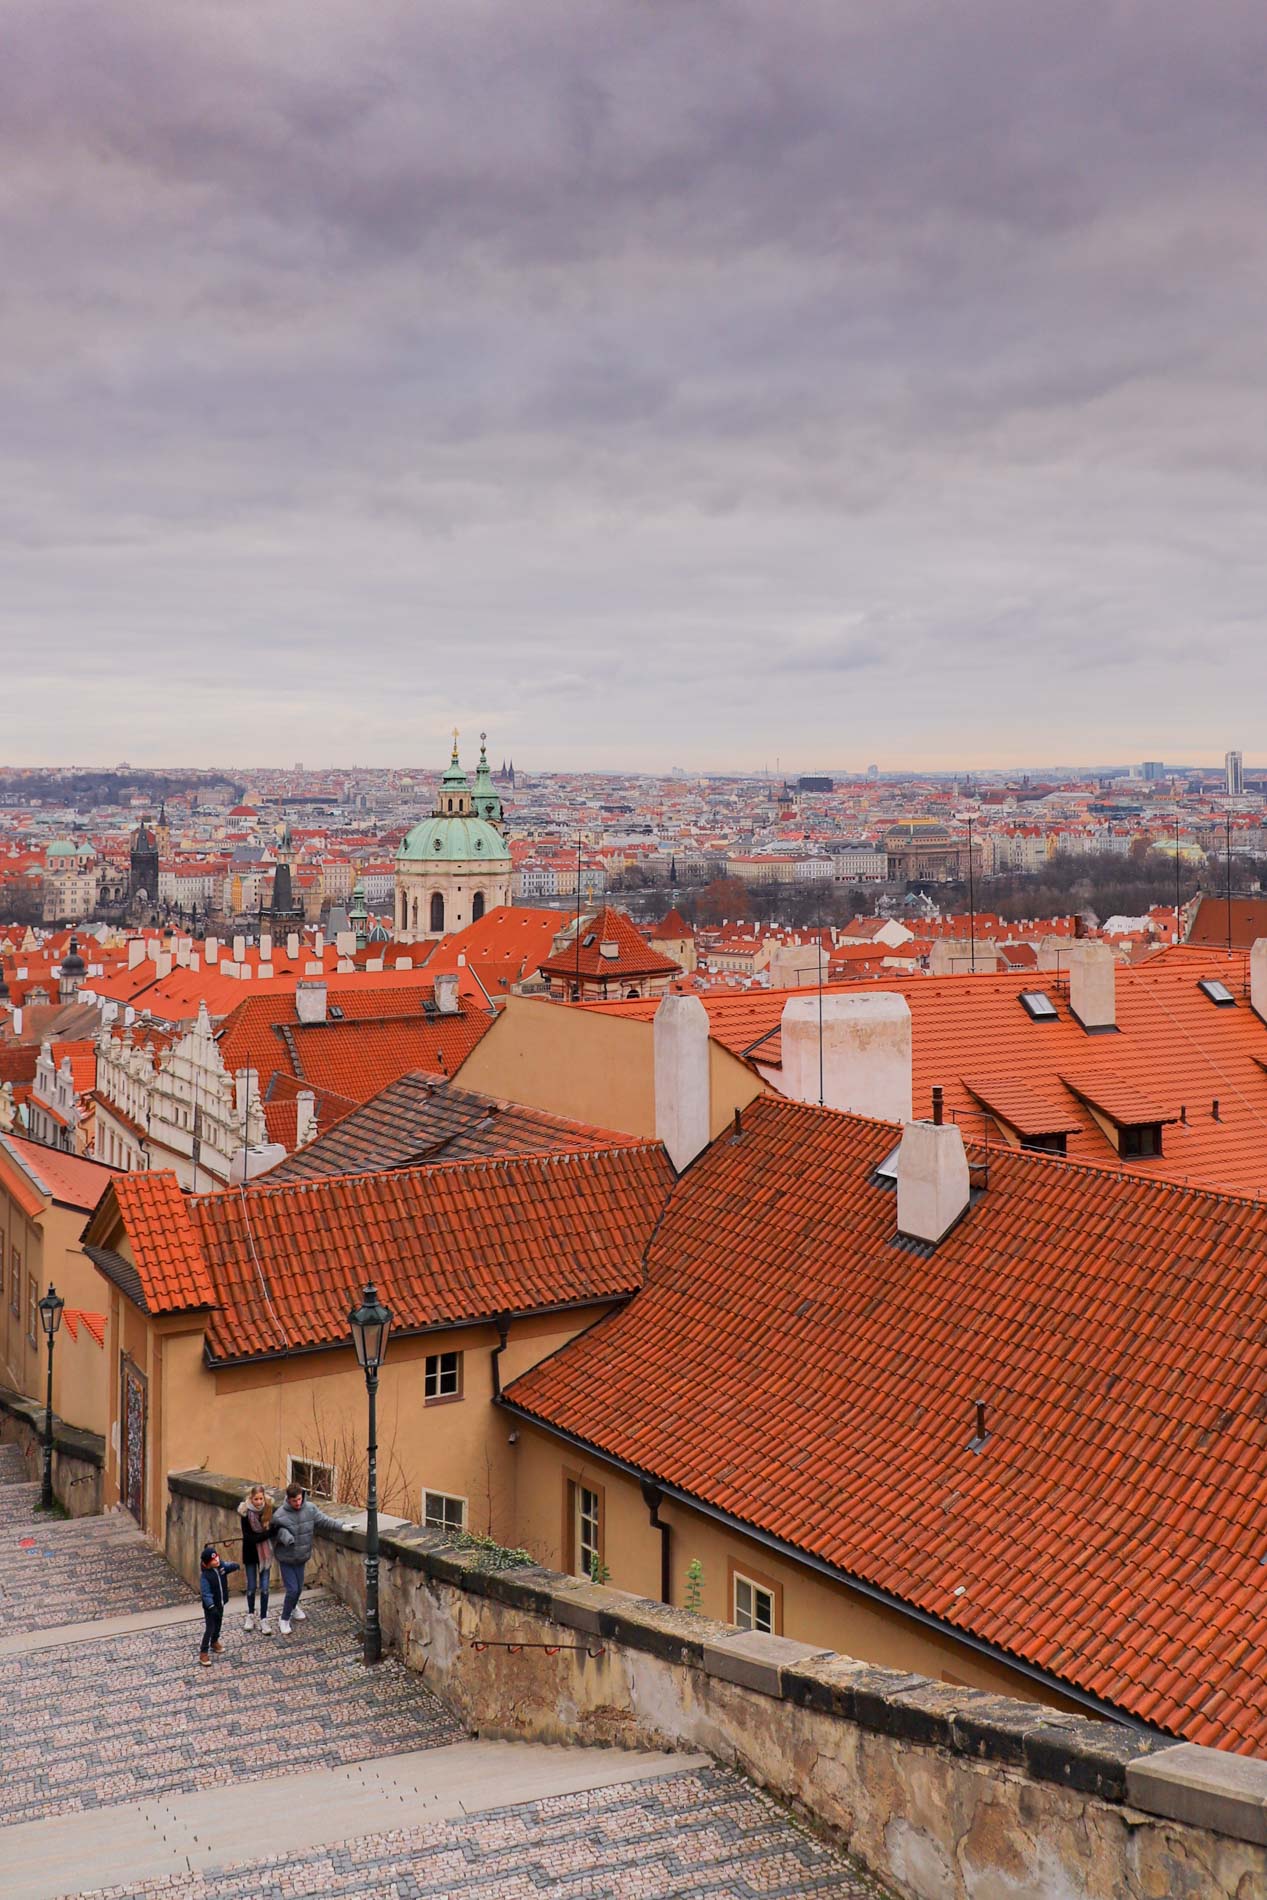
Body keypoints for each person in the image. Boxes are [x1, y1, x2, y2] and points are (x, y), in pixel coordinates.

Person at [269, 1481, 341, 1634]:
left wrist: (341, 1526)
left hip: (301, 1556)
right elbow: (273, 1534)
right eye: (294, 1500)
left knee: (299, 1588)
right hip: (286, 1558)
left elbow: (324, 1521)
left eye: (300, 1499)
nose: (298, 1503)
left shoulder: (310, 1509)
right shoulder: (280, 1514)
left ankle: (294, 1607)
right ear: (288, 1499)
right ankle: (284, 1618)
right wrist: (284, 1536)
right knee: (292, 1589)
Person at [237, 1484, 275, 1634]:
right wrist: (268, 1534)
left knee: (265, 1588)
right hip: (251, 1553)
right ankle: (250, 1614)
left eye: (260, 1499)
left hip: (265, 1555)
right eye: (256, 1499)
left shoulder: (269, 1510)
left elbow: (275, 1529)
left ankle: (264, 1618)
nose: (258, 1502)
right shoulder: (245, 1513)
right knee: (251, 1587)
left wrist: (269, 1534)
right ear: (251, 1499)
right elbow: (250, 1538)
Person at [198, 1543, 240, 1666]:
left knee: (218, 1624)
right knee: (210, 1628)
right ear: (207, 1563)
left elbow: (227, 1566)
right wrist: (211, 1606)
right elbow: (206, 1593)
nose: (217, 1560)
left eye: (217, 1557)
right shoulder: (205, 1576)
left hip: (220, 1603)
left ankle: (214, 1641)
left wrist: (234, 1566)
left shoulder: (221, 1567)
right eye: (213, 1560)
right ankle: (203, 1652)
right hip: (211, 1607)